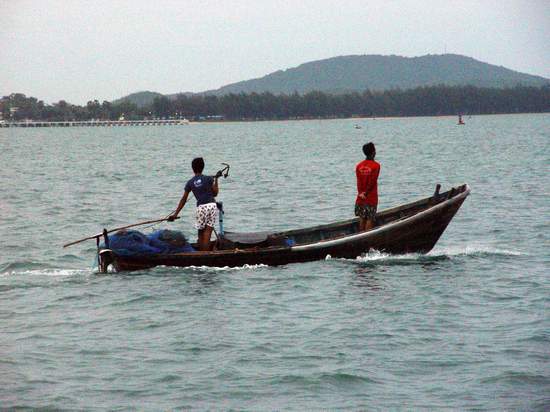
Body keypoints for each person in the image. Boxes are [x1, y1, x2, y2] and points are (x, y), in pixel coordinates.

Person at [168, 157, 221, 251]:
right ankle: (206, 253)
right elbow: (215, 193)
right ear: (203, 167)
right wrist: (216, 180)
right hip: (212, 206)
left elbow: (183, 199)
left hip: (201, 208)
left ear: (192, 169)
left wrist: (176, 214)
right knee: (208, 231)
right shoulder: (208, 179)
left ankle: (202, 254)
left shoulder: (190, 182)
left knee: (201, 233)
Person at [355, 142, 380, 231]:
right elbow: (372, 182)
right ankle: (367, 240)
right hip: (370, 198)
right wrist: (366, 193)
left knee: (362, 217)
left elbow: (358, 182)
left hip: (360, 198)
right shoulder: (376, 166)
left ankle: (360, 237)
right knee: (370, 218)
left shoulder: (359, 166)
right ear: (373, 152)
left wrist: (361, 193)